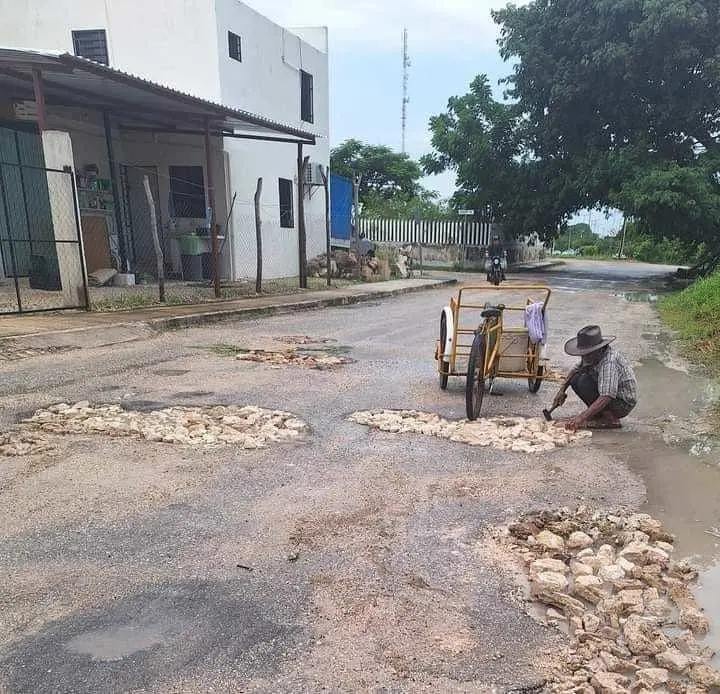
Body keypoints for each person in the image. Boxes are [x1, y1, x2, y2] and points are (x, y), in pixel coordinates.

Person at [552, 325, 637, 431]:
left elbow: (607, 395)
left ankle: (609, 418)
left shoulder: (609, 361)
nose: (584, 357)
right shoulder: (591, 357)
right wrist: (562, 390)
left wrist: (581, 418)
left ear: (599, 349)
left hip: (622, 402)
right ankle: (597, 415)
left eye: (587, 354)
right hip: (610, 395)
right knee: (576, 378)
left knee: (584, 382)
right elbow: (575, 370)